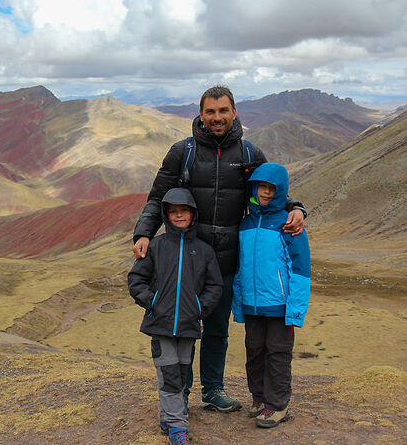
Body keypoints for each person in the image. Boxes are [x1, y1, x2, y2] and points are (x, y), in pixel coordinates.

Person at [132, 85, 306, 413]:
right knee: (182, 329)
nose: (216, 118)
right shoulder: (180, 152)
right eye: (210, 112)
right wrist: (143, 233)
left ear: (234, 113)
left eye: (223, 111)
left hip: (226, 261)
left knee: (217, 329)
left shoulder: (249, 154)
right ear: (200, 114)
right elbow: (158, 197)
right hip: (186, 259)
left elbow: (274, 191)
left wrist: (297, 208)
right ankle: (178, 398)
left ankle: (212, 389)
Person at [128, 187, 223, 444]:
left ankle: (166, 417)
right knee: (170, 376)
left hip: (189, 325)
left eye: (184, 211)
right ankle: (178, 428)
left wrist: (199, 308)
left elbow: (215, 286)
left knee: (180, 375)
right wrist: (154, 302)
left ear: (192, 214)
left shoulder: (204, 251)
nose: (179, 216)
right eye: (173, 212)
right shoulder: (156, 246)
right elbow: (136, 279)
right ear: (166, 215)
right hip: (160, 325)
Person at [231, 162, 311, 428]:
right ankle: (259, 399)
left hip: (279, 305)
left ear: (281, 191)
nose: (265, 192)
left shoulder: (288, 224)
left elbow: (300, 270)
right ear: (253, 188)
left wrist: (295, 310)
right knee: (254, 351)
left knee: (277, 354)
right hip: (252, 304)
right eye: (260, 187)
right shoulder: (245, 224)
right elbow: (241, 268)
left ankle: (277, 406)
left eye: (271, 188)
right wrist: (239, 305)